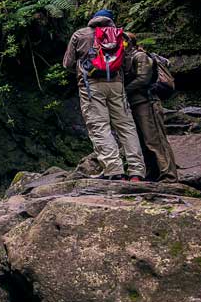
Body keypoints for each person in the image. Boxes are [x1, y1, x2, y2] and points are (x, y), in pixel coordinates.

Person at [62, 9, 146, 181]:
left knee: (100, 126)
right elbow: (128, 64)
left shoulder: (80, 35)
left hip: (90, 85)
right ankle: (137, 172)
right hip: (117, 85)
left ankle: (114, 169)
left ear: (93, 20)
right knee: (126, 127)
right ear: (111, 21)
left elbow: (67, 63)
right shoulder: (121, 36)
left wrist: (84, 69)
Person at [123, 32, 178, 181]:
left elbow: (143, 78)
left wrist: (123, 91)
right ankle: (151, 173)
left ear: (129, 42)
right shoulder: (124, 58)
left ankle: (169, 174)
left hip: (147, 102)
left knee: (155, 140)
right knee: (142, 140)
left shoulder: (140, 56)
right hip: (135, 104)